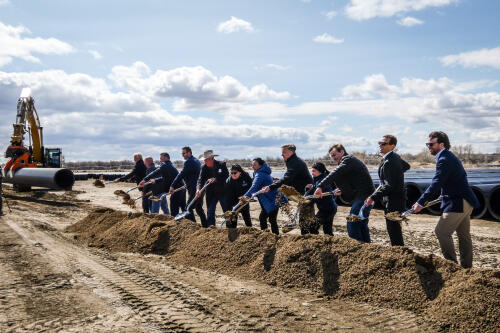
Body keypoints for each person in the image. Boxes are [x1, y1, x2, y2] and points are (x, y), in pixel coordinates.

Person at [412, 131, 479, 268]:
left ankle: (452, 266)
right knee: (464, 236)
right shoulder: (449, 157)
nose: (428, 146)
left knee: (441, 232)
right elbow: (454, 179)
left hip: (458, 203)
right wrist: (444, 193)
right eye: (427, 144)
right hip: (466, 201)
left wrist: (420, 202)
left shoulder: (444, 159)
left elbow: (436, 183)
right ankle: (467, 268)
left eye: (431, 144)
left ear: (441, 144)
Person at [314, 144, 375, 243]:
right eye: (331, 156)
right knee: (361, 224)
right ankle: (367, 248)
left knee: (352, 223)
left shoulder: (348, 159)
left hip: (363, 196)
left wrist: (320, 186)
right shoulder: (348, 162)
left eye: (334, 155)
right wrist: (342, 189)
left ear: (342, 151)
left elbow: (335, 173)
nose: (333, 158)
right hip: (364, 195)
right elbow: (353, 180)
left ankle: (358, 248)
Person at [365, 135, 410, 246]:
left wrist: (372, 197)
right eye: (379, 143)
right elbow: (407, 166)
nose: (380, 145)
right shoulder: (393, 157)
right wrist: (397, 175)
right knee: (395, 230)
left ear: (392, 146)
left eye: (384, 143)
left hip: (394, 201)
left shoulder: (390, 161)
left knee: (394, 231)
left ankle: (399, 255)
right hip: (397, 199)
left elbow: (389, 186)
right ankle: (399, 253)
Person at [263, 144, 314, 234]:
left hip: (307, 190)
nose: (282, 155)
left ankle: (309, 237)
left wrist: (272, 186)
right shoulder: (291, 160)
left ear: (291, 152)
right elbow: (291, 177)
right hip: (300, 189)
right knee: (304, 216)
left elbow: (288, 177)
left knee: (305, 217)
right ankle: (306, 236)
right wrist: (278, 181)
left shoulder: (296, 162)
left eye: (284, 153)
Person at [241, 158, 284, 235]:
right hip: (271, 199)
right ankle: (273, 236)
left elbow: (254, 187)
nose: (252, 166)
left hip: (270, 200)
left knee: (265, 218)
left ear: (260, 165)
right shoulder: (261, 172)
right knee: (271, 219)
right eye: (252, 164)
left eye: (255, 165)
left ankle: (266, 236)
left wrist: (244, 197)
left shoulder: (260, 174)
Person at [196, 150, 229, 227]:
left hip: (223, 191)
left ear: (211, 158)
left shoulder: (221, 165)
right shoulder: (203, 168)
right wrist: (198, 189)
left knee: (226, 211)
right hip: (211, 193)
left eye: (206, 160)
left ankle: (230, 227)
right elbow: (200, 180)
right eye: (204, 160)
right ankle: (211, 228)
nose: (204, 161)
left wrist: (216, 179)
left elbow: (227, 177)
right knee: (210, 211)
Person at [170, 146, 202, 221]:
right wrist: (187, 183)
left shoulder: (189, 161)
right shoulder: (196, 160)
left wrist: (172, 186)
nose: (182, 155)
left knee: (188, 207)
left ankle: (192, 225)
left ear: (189, 153)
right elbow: (191, 174)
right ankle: (204, 225)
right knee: (198, 208)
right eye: (182, 153)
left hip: (194, 188)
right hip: (196, 187)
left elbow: (182, 174)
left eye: (184, 153)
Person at [306, 162, 338, 235]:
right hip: (328, 208)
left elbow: (317, 197)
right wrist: (308, 189)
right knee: (327, 229)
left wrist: (308, 201)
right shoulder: (318, 179)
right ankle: (328, 244)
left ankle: (317, 243)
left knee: (312, 226)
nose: (312, 173)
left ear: (320, 171)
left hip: (328, 209)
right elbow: (314, 193)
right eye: (312, 171)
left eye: (314, 171)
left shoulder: (322, 181)